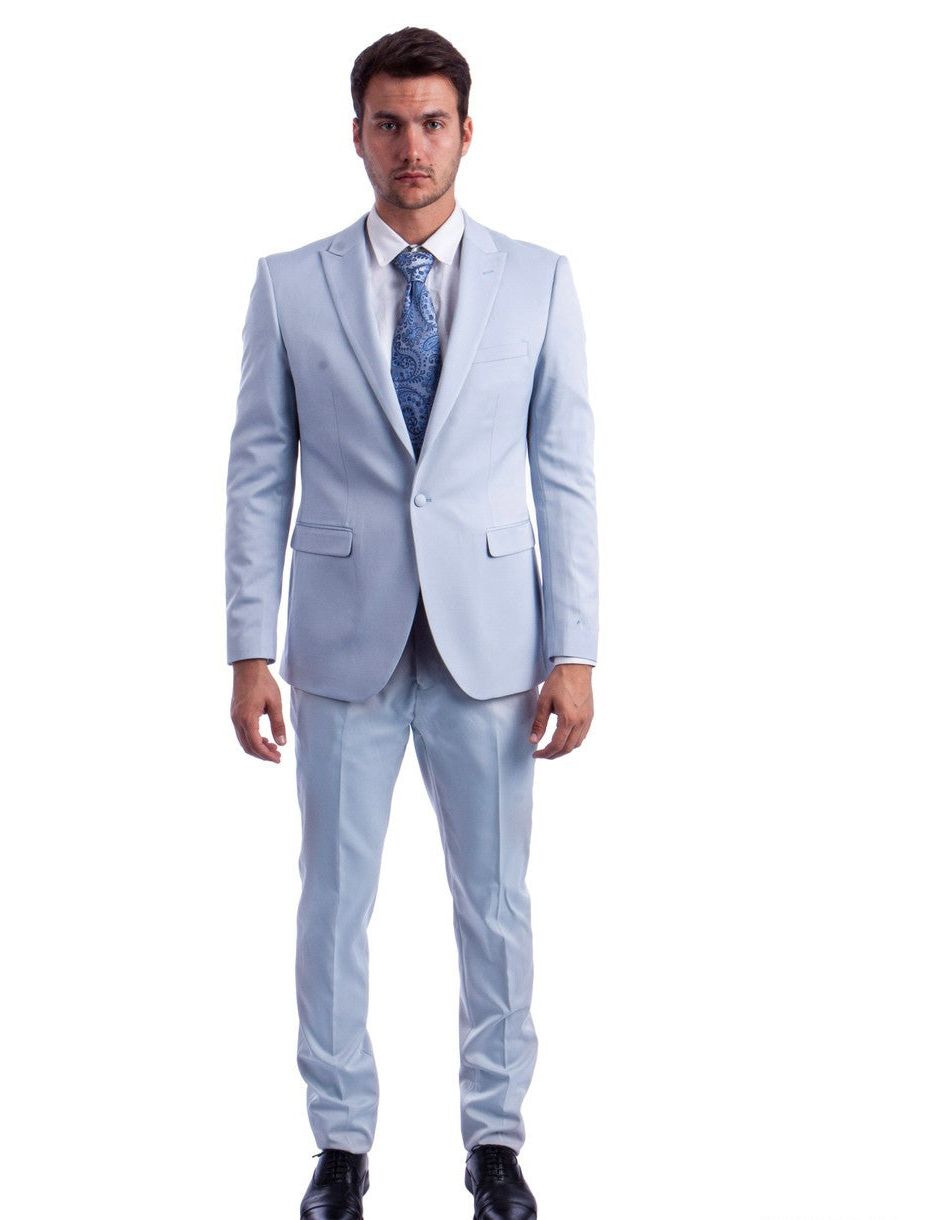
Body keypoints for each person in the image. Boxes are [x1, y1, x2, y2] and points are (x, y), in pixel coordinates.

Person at [225, 26, 598, 1220]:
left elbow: (564, 473)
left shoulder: (539, 281)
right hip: (341, 644)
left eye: (432, 121)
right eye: (388, 123)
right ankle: (340, 1144)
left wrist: (575, 649)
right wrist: (247, 647)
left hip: (492, 645)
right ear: (356, 135)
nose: (410, 146)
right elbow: (257, 471)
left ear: (467, 132)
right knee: (333, 900)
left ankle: (495, 1139)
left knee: (494, 902)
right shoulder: (291, 284)